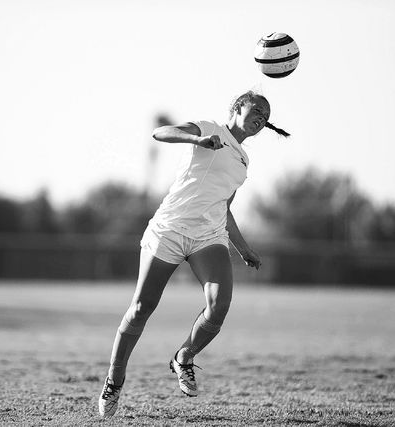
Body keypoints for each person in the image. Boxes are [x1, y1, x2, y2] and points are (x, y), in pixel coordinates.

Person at [98, 90, 290, 417]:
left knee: (219, 306)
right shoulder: (207, 127)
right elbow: (161, 132)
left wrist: (243, 249)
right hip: (170, 228)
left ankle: (183, 357)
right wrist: (197, 141)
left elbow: (224, 209)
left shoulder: (243, 160)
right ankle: (114, 381)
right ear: (237, 107)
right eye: (257, 108)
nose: (261, 117)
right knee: (142, 306)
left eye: (266, 116)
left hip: (208, 235)